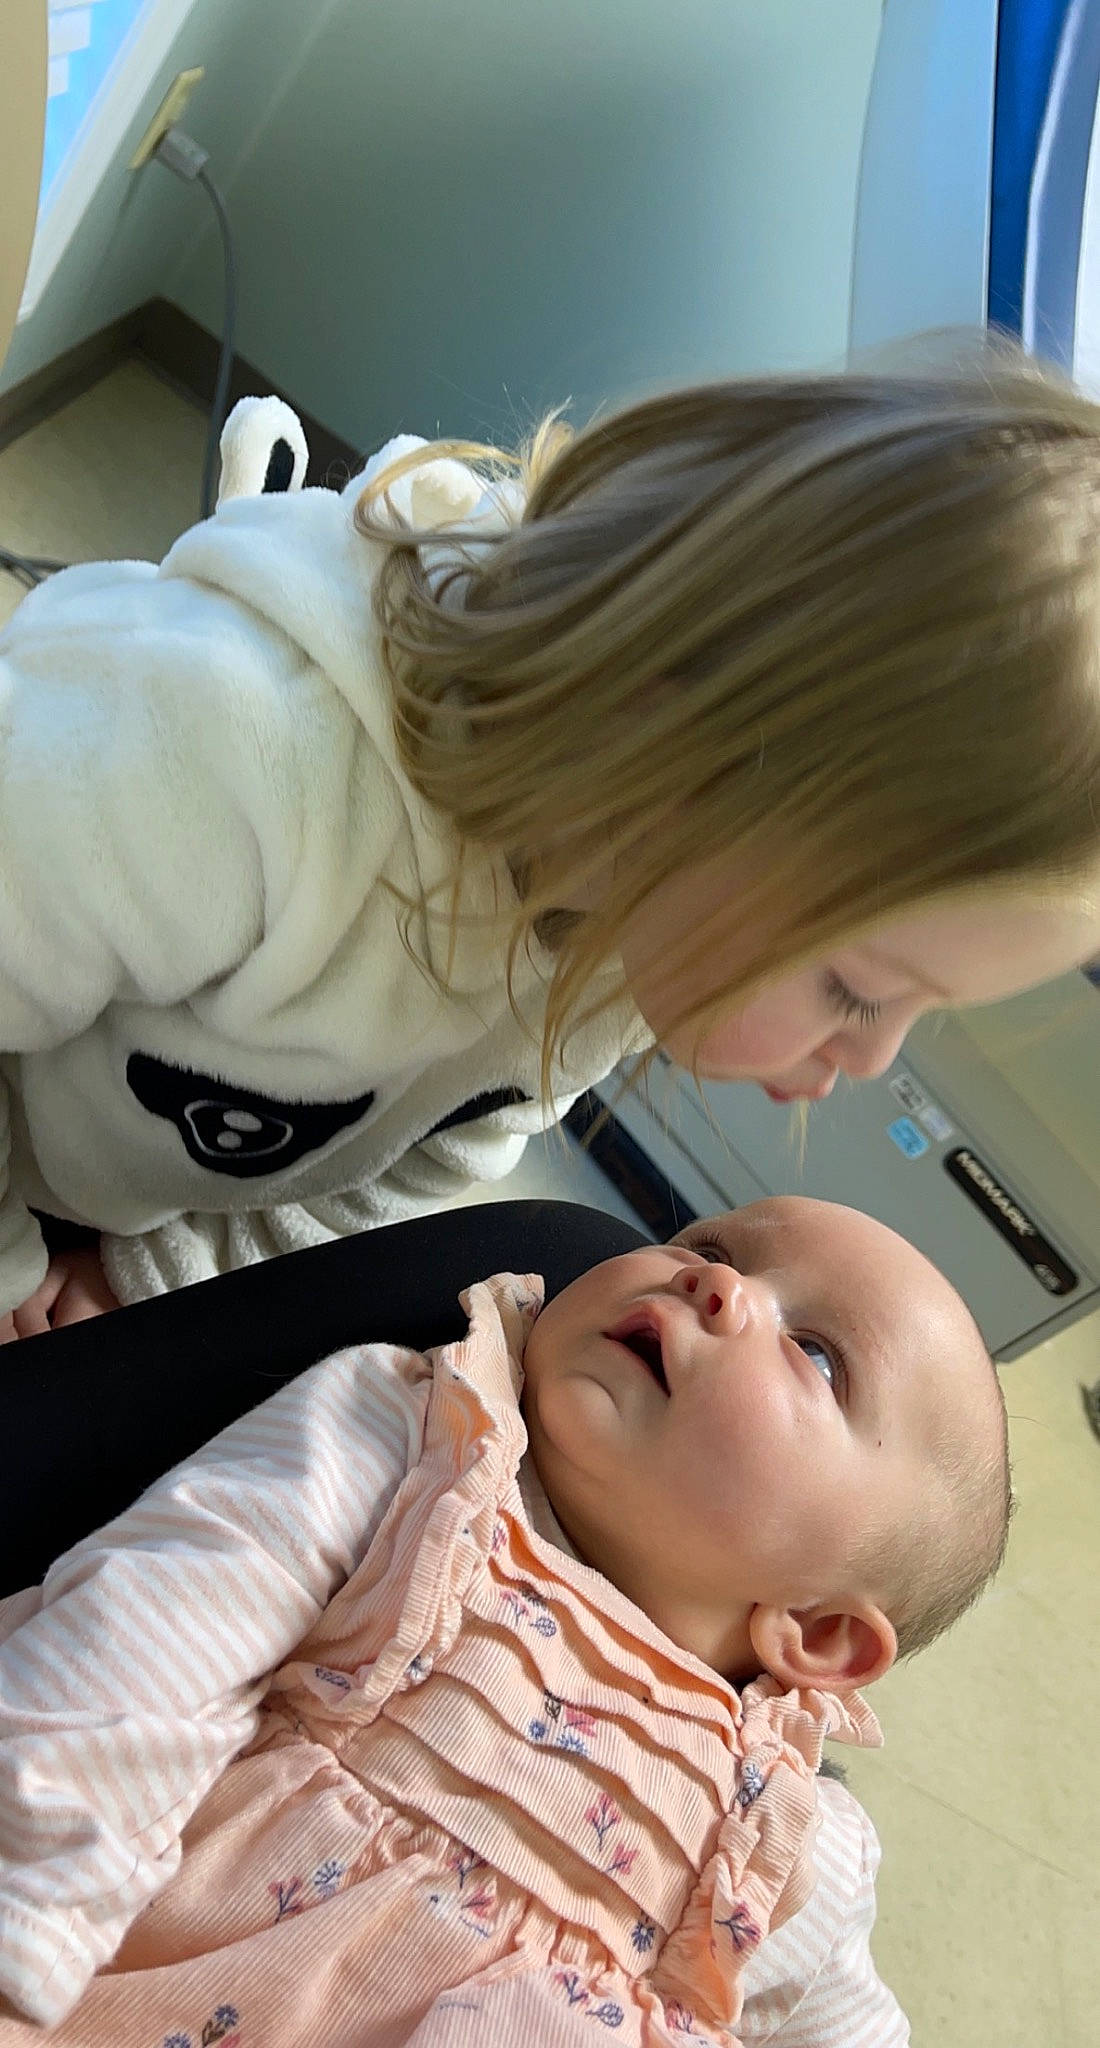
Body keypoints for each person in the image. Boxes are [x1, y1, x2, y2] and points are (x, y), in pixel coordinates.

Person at [1, 341, 1099, 1345]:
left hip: (97, 1208)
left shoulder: (623, 902)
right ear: (663, 747)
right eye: (857, 989)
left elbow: (405, 1161)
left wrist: (145, 1275)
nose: (870, 1060)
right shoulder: (241, 748)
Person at [0, 1195, 1010, 2043]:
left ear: (820, 1632)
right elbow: (133, 1657)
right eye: (708, 1245)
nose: (716, 1283)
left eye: (819, 1356)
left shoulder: (784, 1843)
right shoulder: (416, 1441)